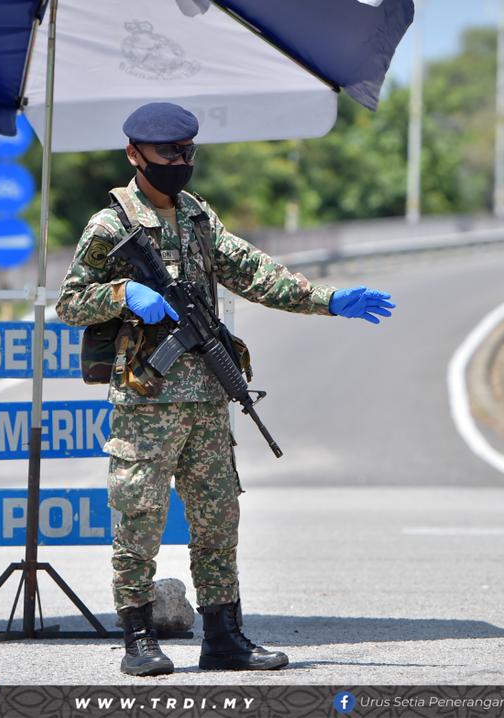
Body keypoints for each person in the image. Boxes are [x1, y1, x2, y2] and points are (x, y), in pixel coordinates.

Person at [55, 102, 395, 676]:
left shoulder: (197, 216)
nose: (180, 161)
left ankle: (224, 637)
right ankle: (138, 639)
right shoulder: (111, 225)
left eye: (187, 151)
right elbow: (69, 302)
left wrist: (329, 300)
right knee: (139, 521)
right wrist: (123, 294)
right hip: (147, 401)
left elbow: (255, 273)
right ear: (134, 155)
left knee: (218, 523)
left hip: (207, 400)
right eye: (168, 153)